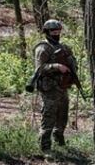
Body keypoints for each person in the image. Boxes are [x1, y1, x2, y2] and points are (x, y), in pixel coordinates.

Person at [33, 19, 77, 152]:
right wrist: (56, 66)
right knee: (49, 116)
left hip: (63, 86)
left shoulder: (64, 47)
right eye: (53, 31)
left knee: (63, 115)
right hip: (49, 87)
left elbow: (72, 62)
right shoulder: (43, 48)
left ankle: (59, 142)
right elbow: (40, 69)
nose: (56, 33)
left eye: (58, 30)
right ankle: (45, 147)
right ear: (47, 32)